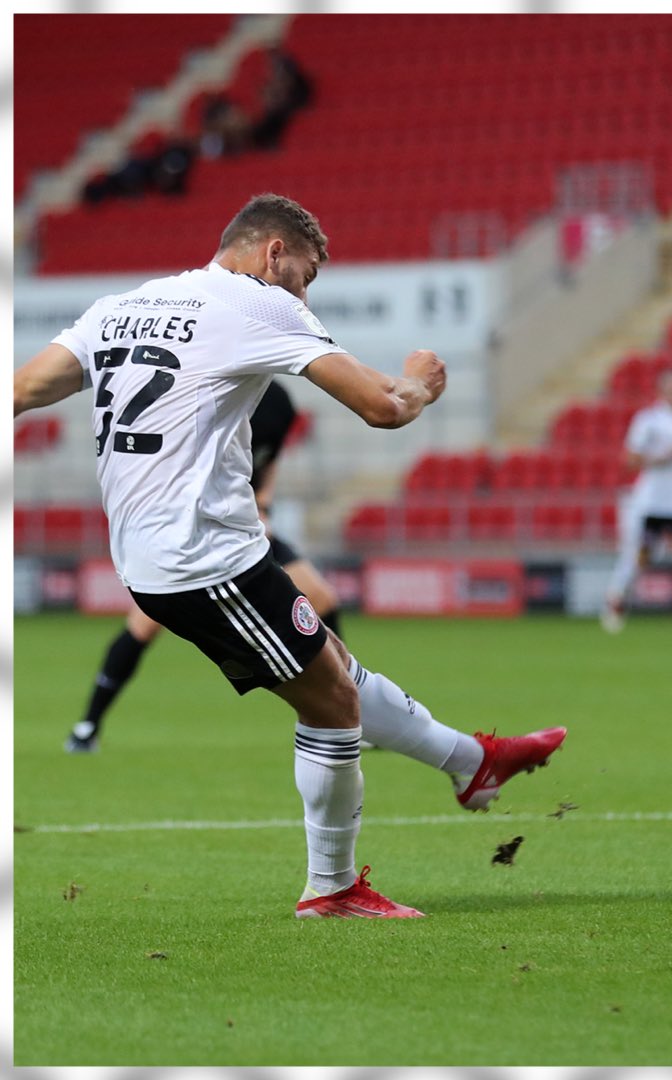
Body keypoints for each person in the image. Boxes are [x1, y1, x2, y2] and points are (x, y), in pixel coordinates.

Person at [15, 193, 567, 920]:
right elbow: (384, 407)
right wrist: (421, 386)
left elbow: (23, 388)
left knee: (334, 666)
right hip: (201, 558)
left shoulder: (125, 305)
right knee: (332, 703)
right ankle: (332, 887)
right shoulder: (258, 303)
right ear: (274, 253)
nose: (304, 297)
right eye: (304, 277)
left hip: (168, 551)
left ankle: (474, 763)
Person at [64, 379, 351, 753]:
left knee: (323, 598)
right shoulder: (209, 387)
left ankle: (349, 707)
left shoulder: (279, 403)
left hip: (247, 526)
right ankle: (87, 726)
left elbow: (269, 459)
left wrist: (263, 506)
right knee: (144, 627)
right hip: (192, 530)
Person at [600, 368, 672, 641]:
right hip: (652, 502)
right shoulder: (648, 420)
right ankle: (617, 597)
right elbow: (629, 460)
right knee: (640, 558)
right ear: (661, 392)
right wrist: (661, 458)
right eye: (671, 389)